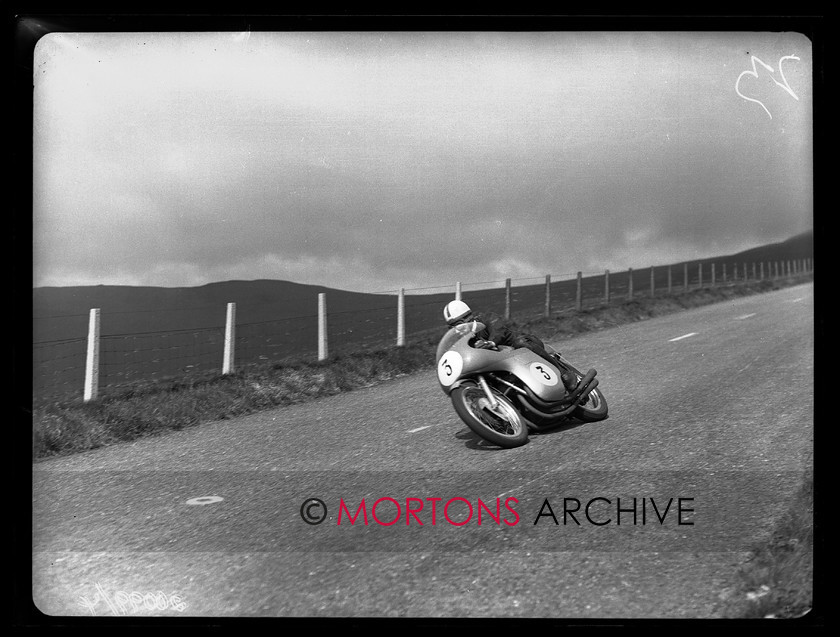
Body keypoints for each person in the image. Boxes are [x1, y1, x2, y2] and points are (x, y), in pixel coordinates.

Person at [442, 299, 578, 392]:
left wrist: (491, 342)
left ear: (470, 316)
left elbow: (498, 329)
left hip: (520, 349)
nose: (461, 326)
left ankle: (564, 374)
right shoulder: (463, 343)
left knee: (521, 343)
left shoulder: (487, 318)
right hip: (502, 366)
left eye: (463, 320)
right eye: (455, 325)